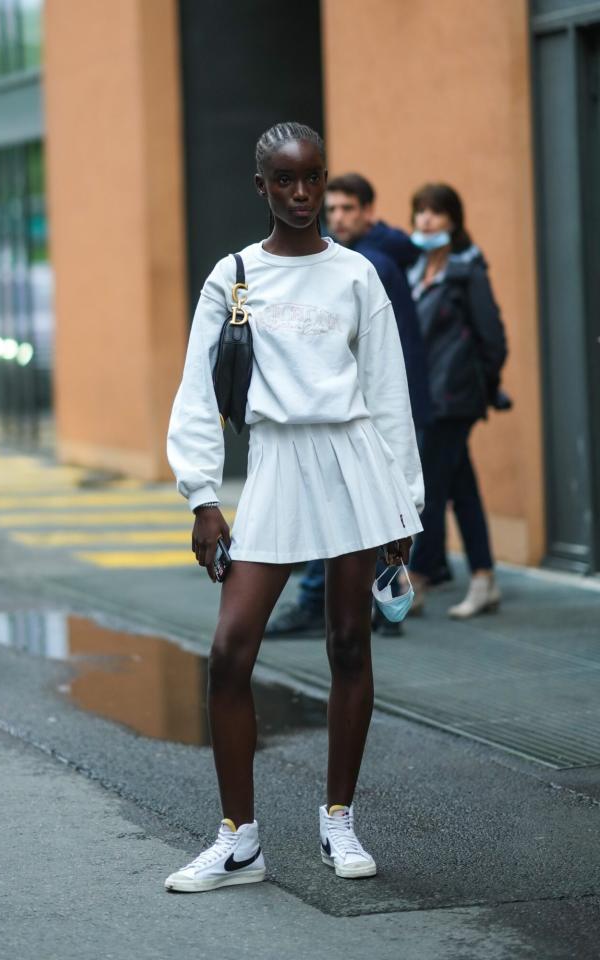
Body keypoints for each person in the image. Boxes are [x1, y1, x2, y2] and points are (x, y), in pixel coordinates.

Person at [164, 122, 424, 892]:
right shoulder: (233, 276)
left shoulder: (357, 275)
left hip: (353, 464)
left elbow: (387, 393)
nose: (302, 194)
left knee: (349, 643)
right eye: (285, 180)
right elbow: (195, 391)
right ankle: (239, 840)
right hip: (276, 465)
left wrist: (403, 507)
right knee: (231, 650)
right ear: (261, 187)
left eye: (313, 178)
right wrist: (203, 496)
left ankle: (338, 820)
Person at [265, 172, 431, 639]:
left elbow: (386, 354)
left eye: (346, 209)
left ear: (368, 212)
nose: (336, 217)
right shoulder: (370, 260)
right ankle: (380, 604)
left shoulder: (363, 267)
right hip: (371, 404)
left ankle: (335, 601)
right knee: (370, 505)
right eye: (332, 209)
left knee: (362, 503)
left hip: (372, 407)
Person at [406, 183, 507, 619]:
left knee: (428, 487)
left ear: (453, 220)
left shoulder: (468, 272)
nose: (426, 220)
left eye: (435, 212)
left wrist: (481, 386)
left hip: (454, 399)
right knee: (460, 487)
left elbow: (494, 339)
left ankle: (420, 578)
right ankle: (484, 577)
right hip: (426, 398)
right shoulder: (413, 271)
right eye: (420, 213)